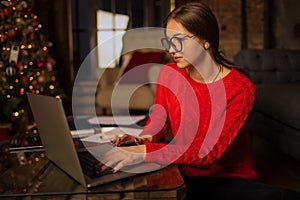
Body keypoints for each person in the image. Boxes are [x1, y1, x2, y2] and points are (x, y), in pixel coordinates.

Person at [95, 2, 300, 199]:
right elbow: (159, 120)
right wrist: (143, 139)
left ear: (205, 40)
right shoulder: (169, 73)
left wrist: (143, 152)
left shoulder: (241, 89)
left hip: (227, 181)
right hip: (179, 170)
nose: (171, 49)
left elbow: (206, 154)